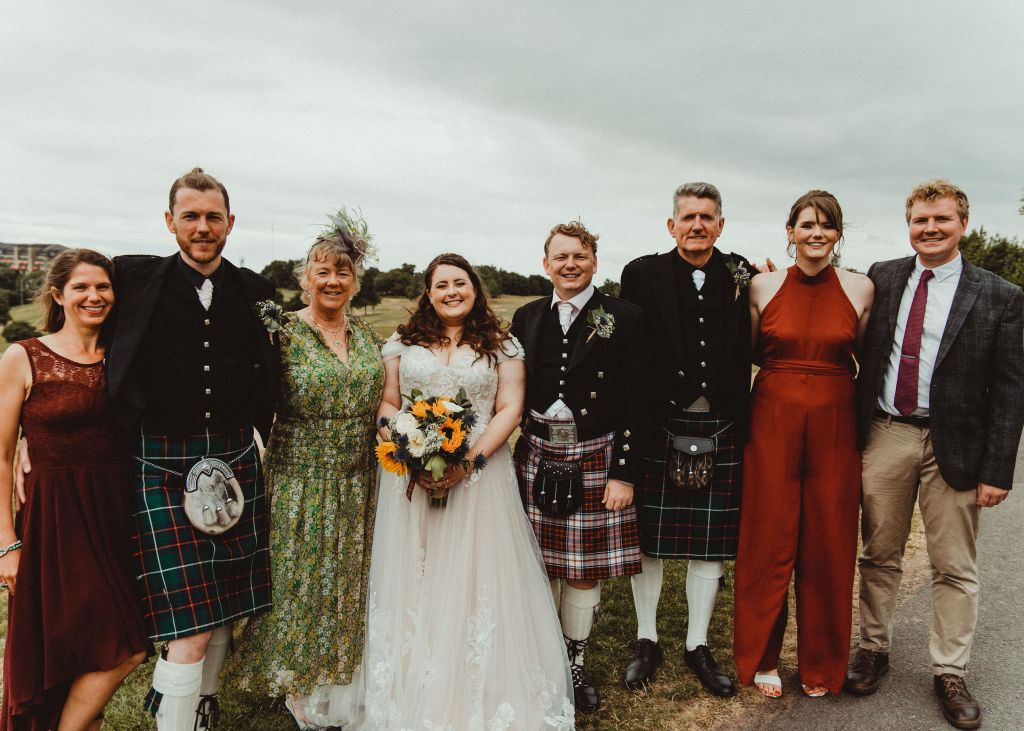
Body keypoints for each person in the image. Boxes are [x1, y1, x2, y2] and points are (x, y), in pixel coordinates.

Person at [17, 169, 281, 730]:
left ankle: (198, 704)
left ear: (231, 223)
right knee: (188, 620)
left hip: (235, 457)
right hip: (160, 461)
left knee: (222, 606)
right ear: (170, 222)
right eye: (190, 216)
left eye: (213, 217)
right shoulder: (133, 279)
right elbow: (79, 331)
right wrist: (28, 436)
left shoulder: (255, 290)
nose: (202, 227)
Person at [301, 253, 574, 729]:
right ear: (427, 293)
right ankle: (411, 682)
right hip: (408, 480)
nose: (451, 292)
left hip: (481, 480)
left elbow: (510, 407)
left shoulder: (502, 344)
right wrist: (404, 445)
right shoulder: (402, 343)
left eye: (460, 283)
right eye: (441, 285)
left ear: (475, 288)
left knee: (475, 574)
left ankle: (474, 686)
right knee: (415, 572)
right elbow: (388, 402)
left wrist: (468, 461)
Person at [845, 179, 1023, 729]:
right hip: (887, 432)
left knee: (954, 565)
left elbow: (1012, 389)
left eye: (941, 220)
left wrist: (998, 470)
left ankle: (950, 670)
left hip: (958, 443)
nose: (930, 229)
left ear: (962, 224)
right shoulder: (883, 276)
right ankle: (872, 649)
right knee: (879, 552)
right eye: (921, 220)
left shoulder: (1000, 295)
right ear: (909, 225)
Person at [225, 215, 384, 728]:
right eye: (322, 271)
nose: (333, 280)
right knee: (299, 579)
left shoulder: (365, 335)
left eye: (343, 271)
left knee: (349, 577)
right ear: (304, 278)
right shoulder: (282, 333)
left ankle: (344, 675)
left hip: (360, 475)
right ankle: (300, 685)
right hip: (300, 474)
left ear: (355, 281)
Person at [0, 250, 150, 730]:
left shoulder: (127, 357)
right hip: (53, 519)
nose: (94, 296)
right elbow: (2, 456)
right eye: (82, 287)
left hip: (115, 513)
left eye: (103, 287)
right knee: (103, 646)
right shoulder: (23, 357)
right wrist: (6, 545)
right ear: (58, 294)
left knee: (113, 644)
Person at [732, 191, 873, 698]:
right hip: (771, 418)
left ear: (838, 234)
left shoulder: (861, 289)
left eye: (828, 226)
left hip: (837, 423)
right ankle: (763, 656)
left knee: (829, 543)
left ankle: (820, 663)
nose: (817, 233)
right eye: (807, 224)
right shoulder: (760, 286)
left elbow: (864, 357)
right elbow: (748, 351)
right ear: (789, 231)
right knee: (767, 538)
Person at [618, 182, 755, 697]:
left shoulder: (741, 272)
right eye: (687, 217)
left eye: (706, 217)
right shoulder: (641, 273)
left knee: (709, 543)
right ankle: (646, 638)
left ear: (721, 224)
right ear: (670, 225)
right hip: (660, 423)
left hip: (721, 424)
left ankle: (698, 643)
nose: (696, 225)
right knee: (648, 538)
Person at [510, 221, 646, 713]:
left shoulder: (625, 316)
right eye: (561, 256)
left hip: (596, 454)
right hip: (537, 453)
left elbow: (638, 398)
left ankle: (574, 663)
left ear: (594, 261)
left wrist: (624, 472)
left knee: (583, 572)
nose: (571, 265)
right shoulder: (525, 316)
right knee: (536, 565)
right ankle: (540, 658)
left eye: (580, 256)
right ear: (545, 263)